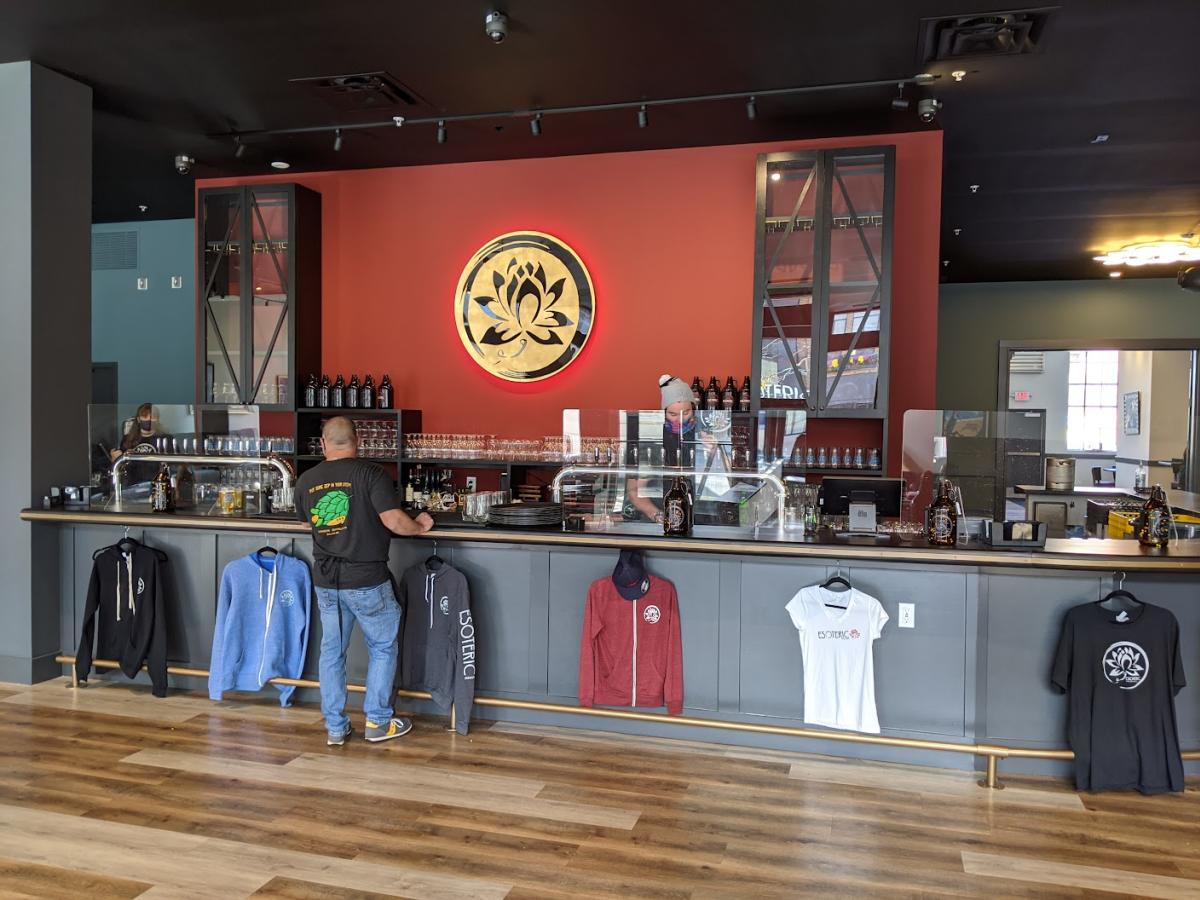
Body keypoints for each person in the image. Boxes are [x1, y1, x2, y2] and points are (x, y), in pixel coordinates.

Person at [295, 416, 433, 746]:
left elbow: (307, 524)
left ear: (323, 444)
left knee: (331, 653)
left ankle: (335, 728)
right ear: (357, 441)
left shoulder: (306, 480)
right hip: (367, 580)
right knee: (383, 649)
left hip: (327, 582)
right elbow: (395, 522)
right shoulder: (370, 474)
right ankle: (378, 722)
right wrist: (421, 524)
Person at [626, 375, 732, 524]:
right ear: (663, 412)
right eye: (673, 414)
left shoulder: (704, 435)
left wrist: (715, 452)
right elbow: (633, 490)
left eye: (686, 412)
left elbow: (724, 480)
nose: (680, 419)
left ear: (694, 409)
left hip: (701, 517)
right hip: (659, 517)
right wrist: (657, 516)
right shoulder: (652, 440)